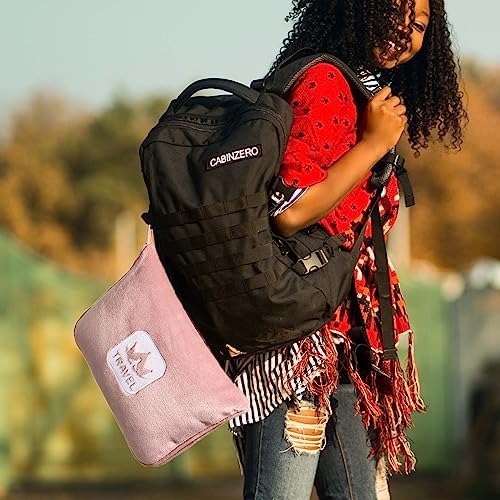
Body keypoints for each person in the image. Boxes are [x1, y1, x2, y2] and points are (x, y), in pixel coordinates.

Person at [225, 0, 467, 499]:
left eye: (419, 24)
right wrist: (373, 146)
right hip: (297, 350)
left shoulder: (364, 93)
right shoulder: (325, 83)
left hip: (348, 349)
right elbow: (290, 209)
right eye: (396, 10)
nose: (406, 31)